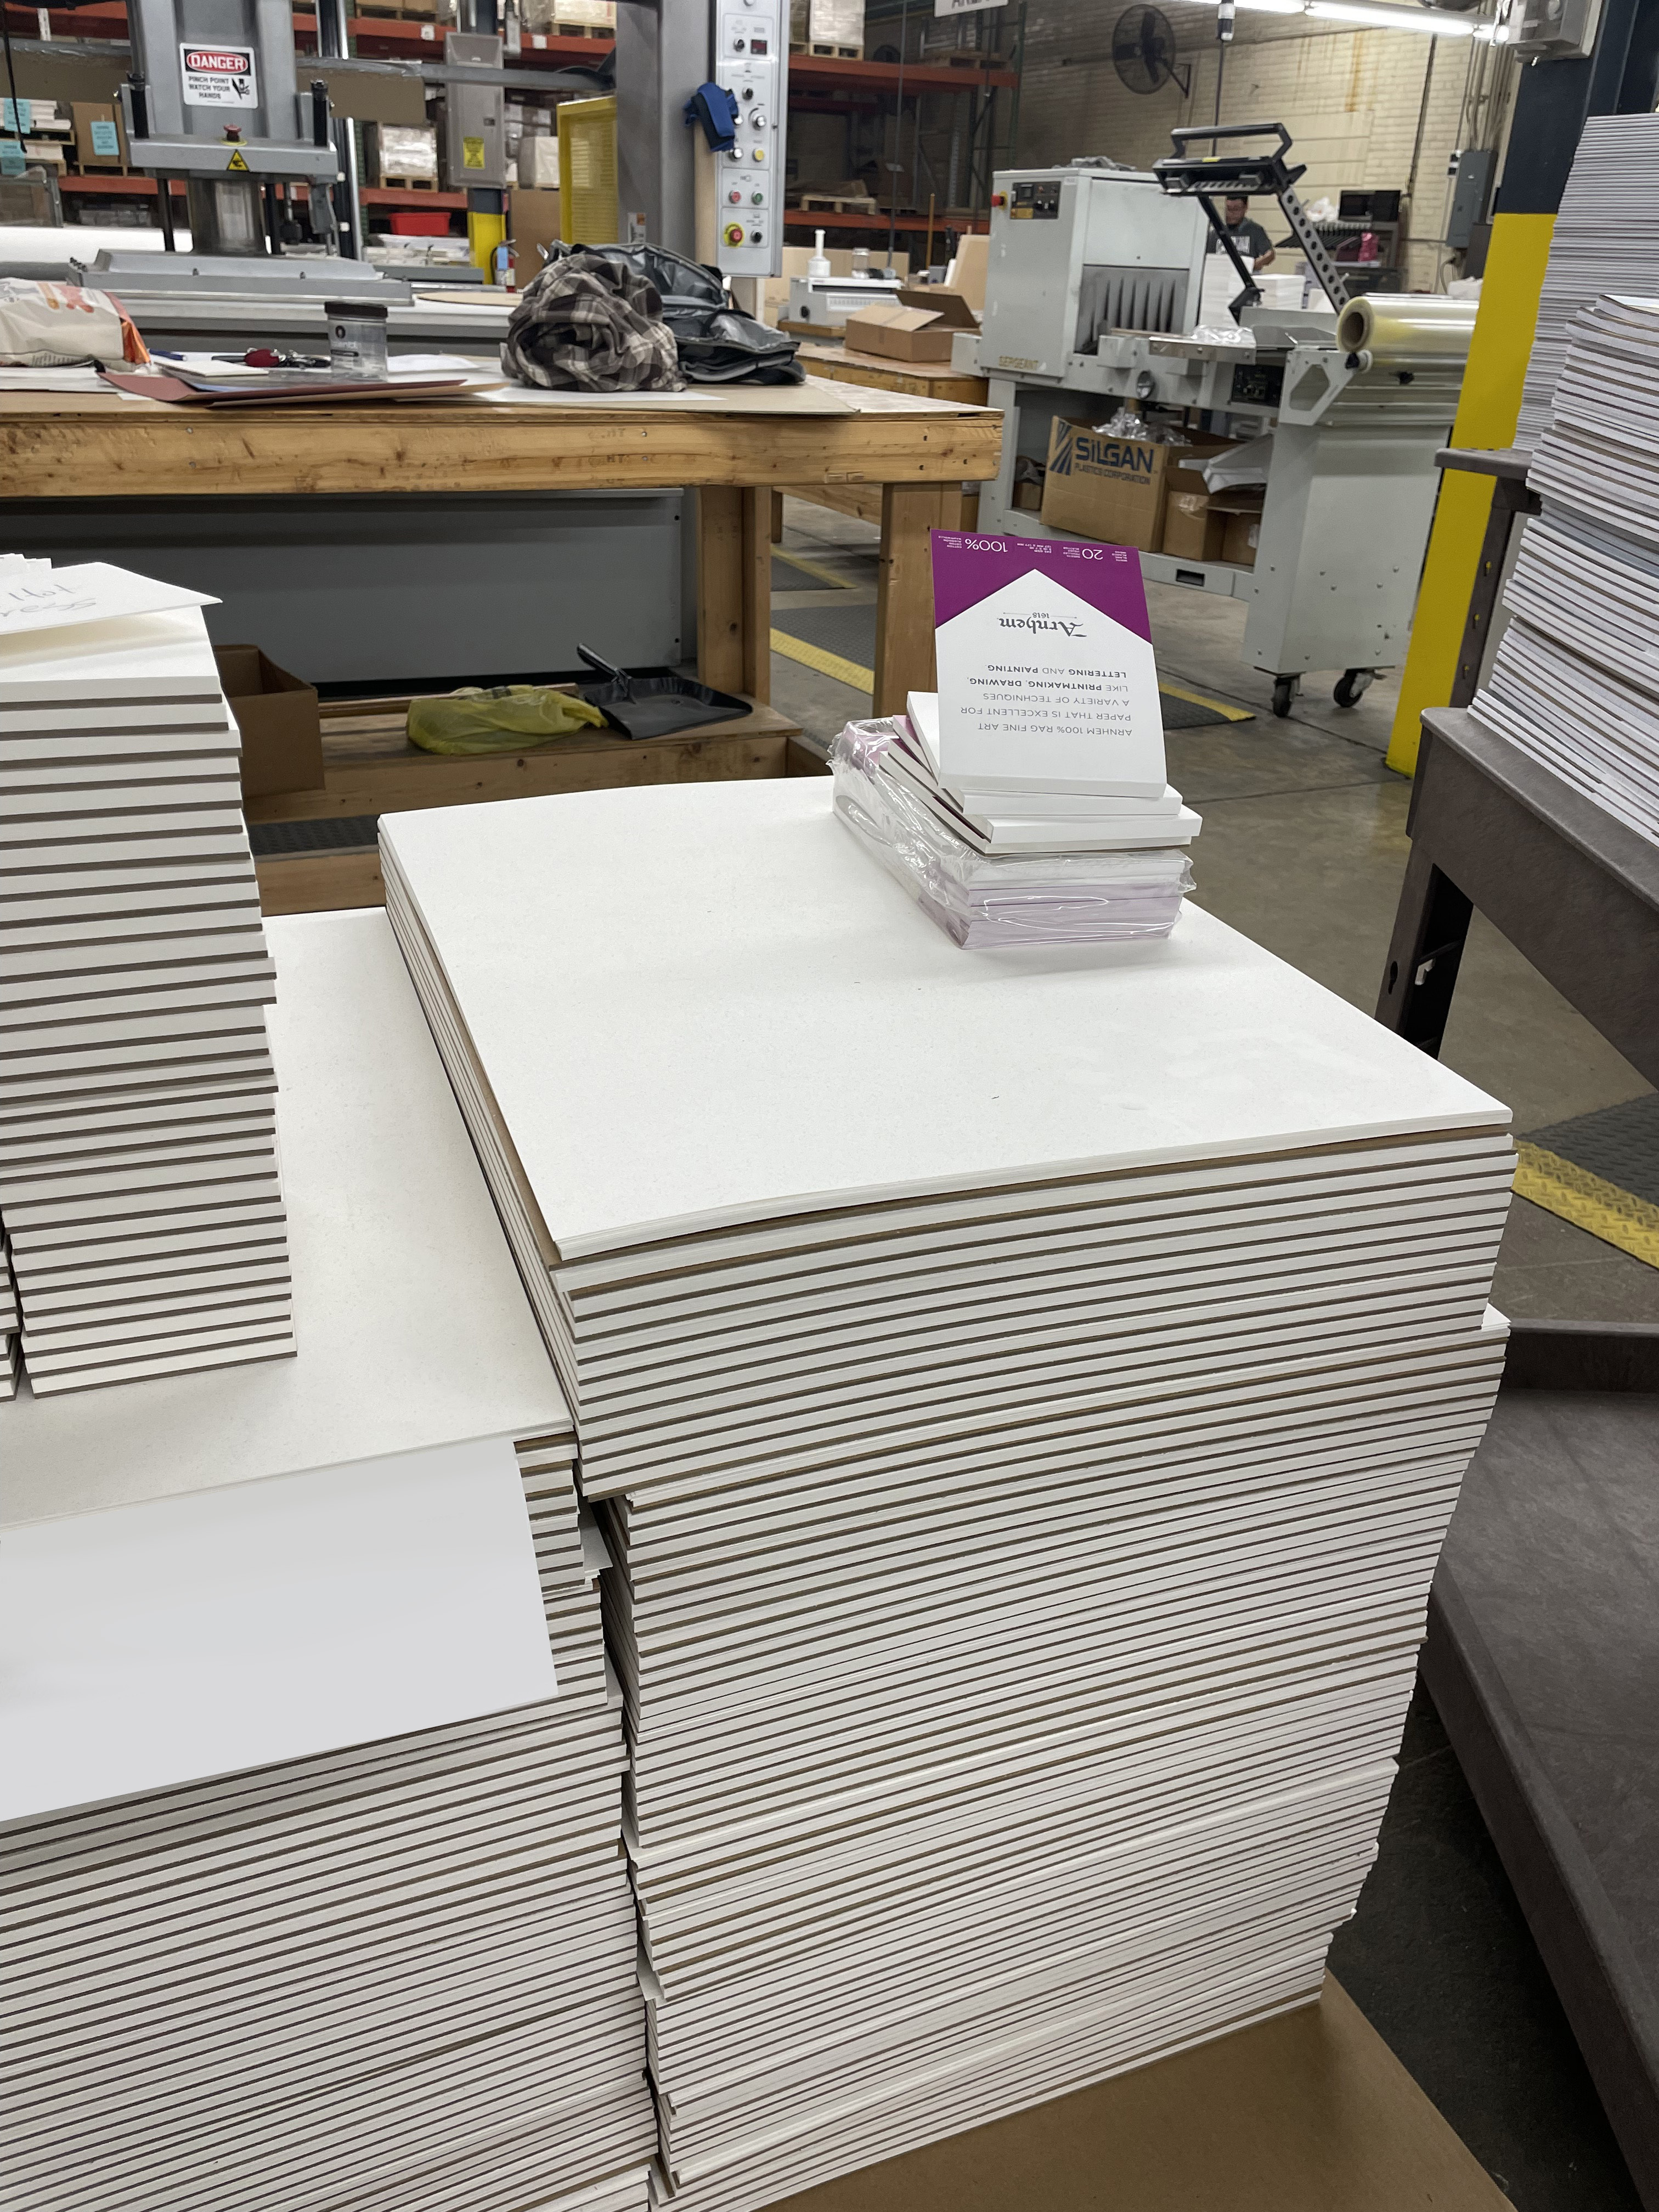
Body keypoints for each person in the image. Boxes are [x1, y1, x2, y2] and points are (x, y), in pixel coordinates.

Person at [1206, 194, 1276, 270]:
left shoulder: (1255, 230)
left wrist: (1256, 264)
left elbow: (1270, 254)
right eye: (1229, 209)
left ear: (1245, 208)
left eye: (1236, 209)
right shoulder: (1216, 232)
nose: (1231, 213)